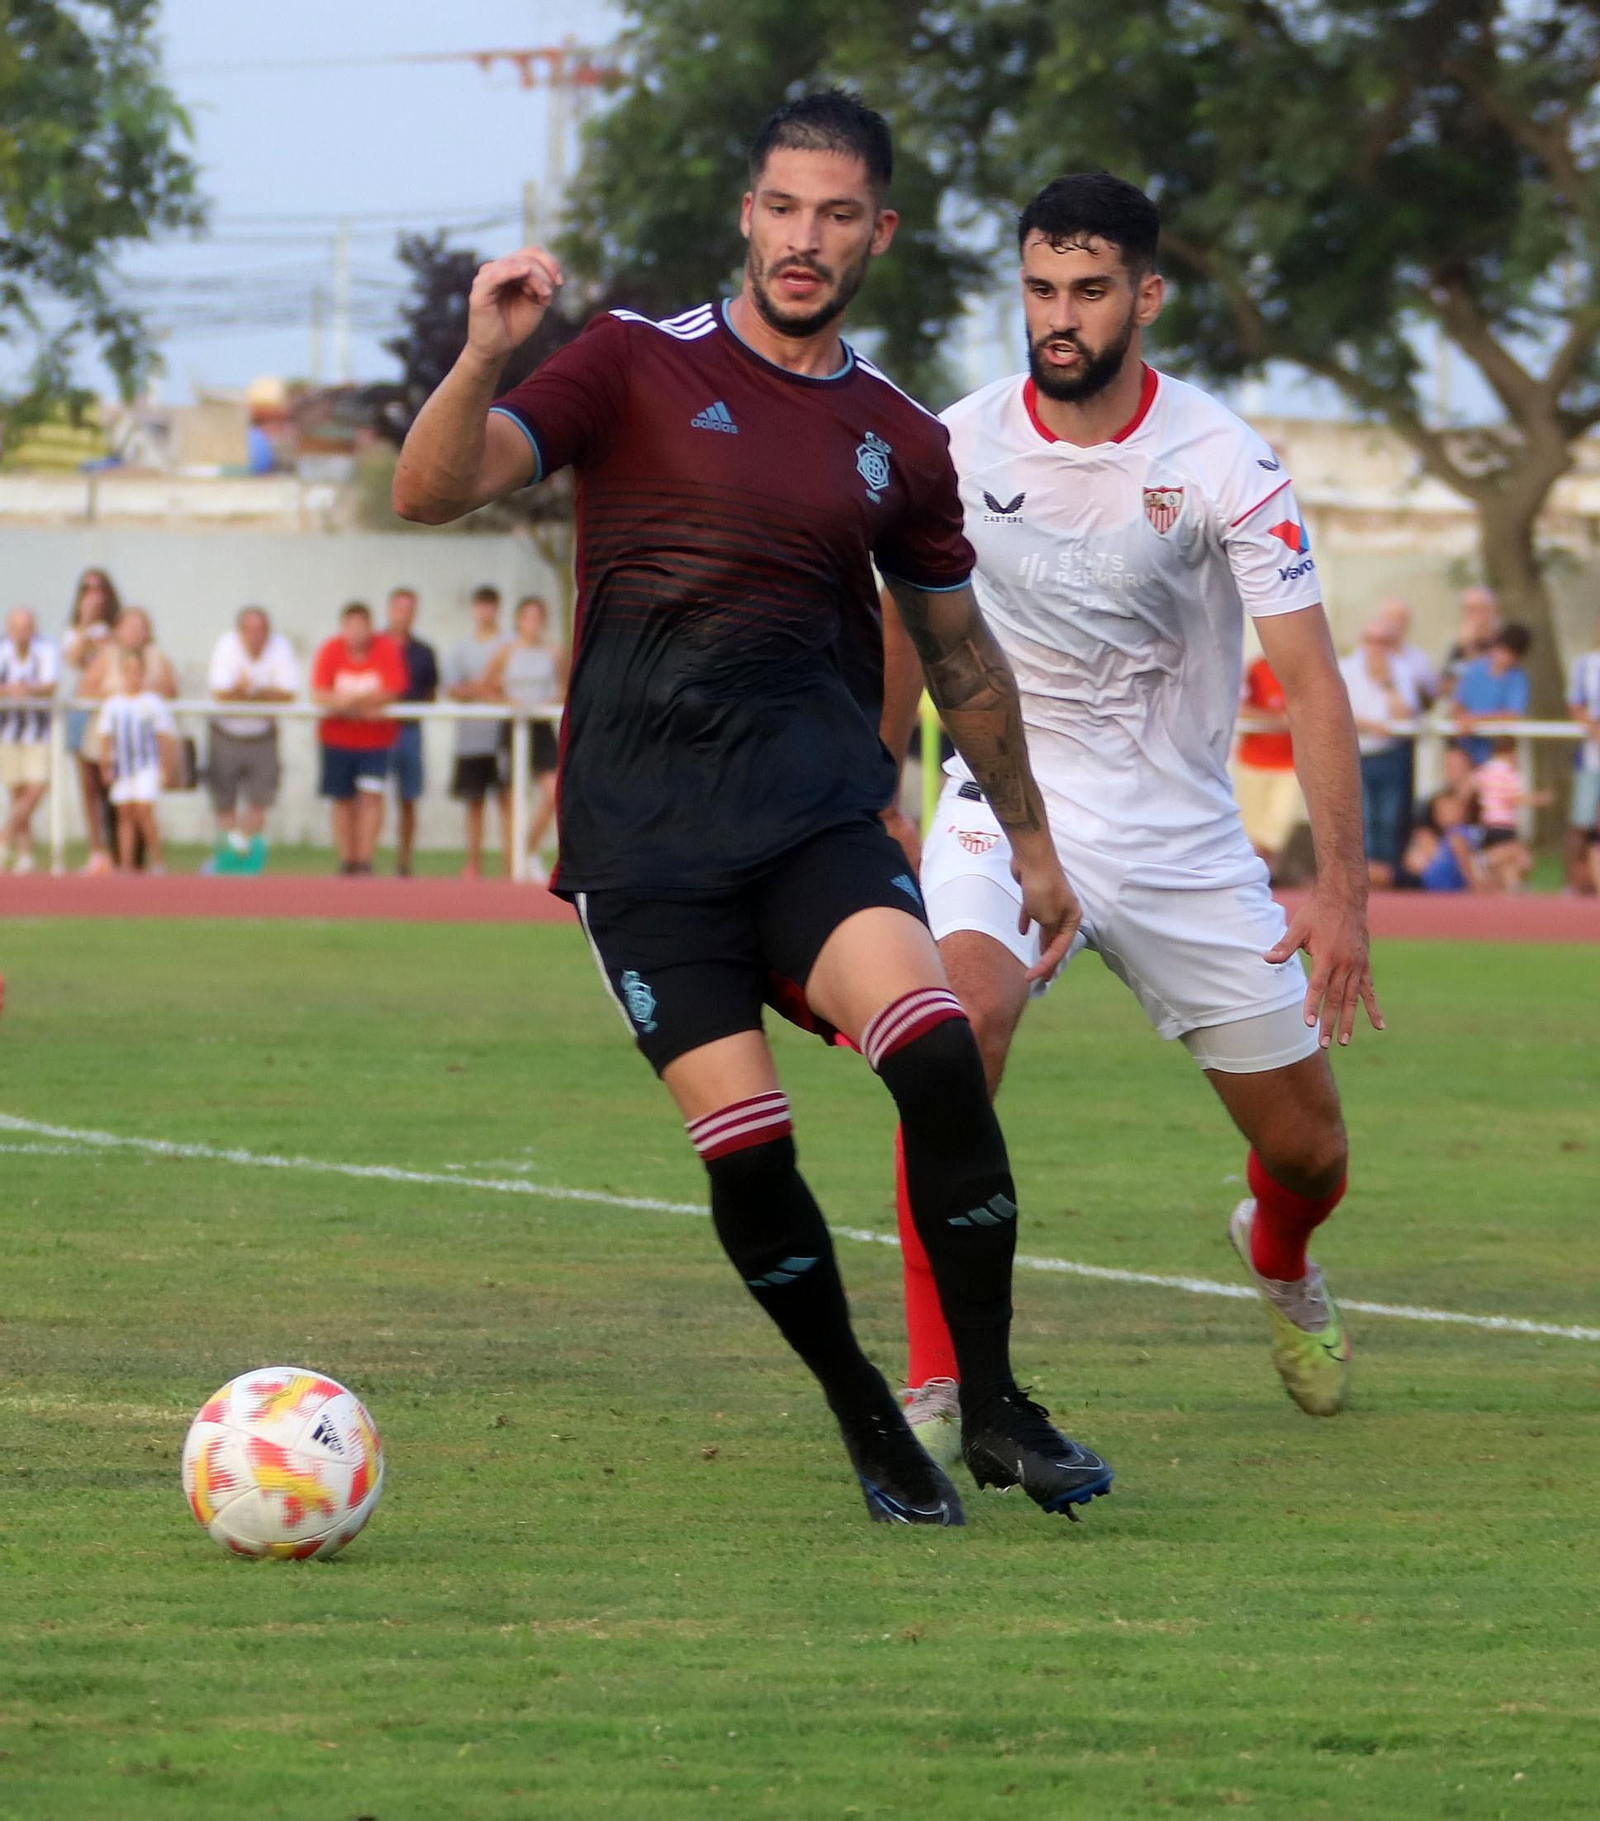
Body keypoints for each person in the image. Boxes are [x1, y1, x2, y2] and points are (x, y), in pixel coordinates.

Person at [393, 89, 1095, 1529]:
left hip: (814, 816)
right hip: (643, 847)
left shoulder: (899, 436)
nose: (806, 237)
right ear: (747, 213)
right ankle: (868, 1425)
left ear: (878, 234)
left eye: (838, 214)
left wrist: (1025, 835)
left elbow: (960, 656)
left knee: (939, 1050)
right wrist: (481, 359)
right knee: (750, 1145)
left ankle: (998, 1402)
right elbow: (430, 489)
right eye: (784, 206)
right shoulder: (632, 364)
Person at [877, 172, 1379, 1462]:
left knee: (1310, 1153)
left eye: (1089, 291)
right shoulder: (954, 443)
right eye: (1041, 289)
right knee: (954, 1026)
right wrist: (878, 791)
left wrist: (1340, 896)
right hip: (1002, 806)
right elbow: (898, 625)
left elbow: (1311, 683)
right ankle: (938, 1386)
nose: (1060, 316)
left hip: (1179, 842)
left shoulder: (1221, 461)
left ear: (1145, 298)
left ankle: (1277, 1260)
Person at [309, 602, 406, 875]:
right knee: (341, 800)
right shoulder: (330, 650)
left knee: (371, 797)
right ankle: (347, 859)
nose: (356, 632)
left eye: (361, 626)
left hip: (376, 741)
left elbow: (392, 690)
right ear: (343, 628)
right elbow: (320, 694)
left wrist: (347, 702)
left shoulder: (386, 648)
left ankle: (364, 859)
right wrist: (361, 706)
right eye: (350, 626)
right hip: (337, 739)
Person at [204, 606, 299, 875]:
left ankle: (241, 853)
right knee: (224, 801)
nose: (256, 636)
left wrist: (251, 691)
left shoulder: (280, 648)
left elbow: (289, 694)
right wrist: (258, 695)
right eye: (250, 630)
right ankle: (229, 861)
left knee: (260, 799)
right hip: (225, 733)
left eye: (261, 630)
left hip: (263, 735)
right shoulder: (226, 646)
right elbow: (221, 693)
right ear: (240, 632)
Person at [483, 593, 565, 883]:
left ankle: (527, 850)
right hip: (513, 728)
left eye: (538, 617)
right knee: (511, 799)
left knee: (554, 792)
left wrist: (552, 701)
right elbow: (487, 687)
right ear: (519, 620)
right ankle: (511, 868)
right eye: (528, 617)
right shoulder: (506, 651)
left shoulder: (553, 652)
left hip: (541, 728)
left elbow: (565, 687)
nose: (533, 623)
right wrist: (508, 702)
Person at [1338, 616, 1423, 887]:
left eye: (1383, 642)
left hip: (1390, 754)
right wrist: (1370, 725)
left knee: (1388, 817)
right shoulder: (1347, 668)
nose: (1376, 647)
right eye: (1372, 641)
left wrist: (1386, 683)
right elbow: (1339, 711)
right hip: (1358, 753)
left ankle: (1384, 875)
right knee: (1362, 817)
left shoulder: (1400, 671)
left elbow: (1405, 713)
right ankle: (1362, 874)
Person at [444, 585, 512, 878]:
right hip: (470, 738)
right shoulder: (459, 648)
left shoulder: (510, 644)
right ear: (474, 609)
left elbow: (511, 686)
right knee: (474, 803)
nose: (484, 611)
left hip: (503, 737)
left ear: (497, 609)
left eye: (490, 605)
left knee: (507, 801)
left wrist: (477, 688)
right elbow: (453, 689)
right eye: (480, 605)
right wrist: (484, 689)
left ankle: (512, 865)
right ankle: (474, 865)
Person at [94, 647, 177, 872]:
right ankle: (126, 863)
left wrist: (166, 767)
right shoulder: (113, 704)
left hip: (146, 765)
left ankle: (158, 860)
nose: (132, 675)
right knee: (124, 814)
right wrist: (105, 765)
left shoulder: (152, 703)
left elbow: (163, 737)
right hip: (123, 766)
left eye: (137, 670)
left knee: (144, 811)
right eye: (128, 670)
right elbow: (105, 737)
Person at [60, 568, 121, 874]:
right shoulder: (75, 630)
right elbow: (72, 660)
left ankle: (122, 850)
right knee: (88, 784)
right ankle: (97, 850)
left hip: (111, 711)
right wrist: (86, 624)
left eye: (99, 589)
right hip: (83, 711)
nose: (94, 595)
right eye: (87, 589)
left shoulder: (118, 628)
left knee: (115, 781)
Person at [383, 587, 439, 877]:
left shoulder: (424, 652)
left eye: (409, 609)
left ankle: (404, 862)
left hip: (410, 732)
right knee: (370, 797)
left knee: (408, 798)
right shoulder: (376, 645)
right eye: (399, 608)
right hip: (377, 733)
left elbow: (431, 691)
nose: (403, 615)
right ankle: (361, 861)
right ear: (389, 610)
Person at [0, 609, 60, 875]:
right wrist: (11, 691)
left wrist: (27, 689)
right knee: (17, 791)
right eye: (17, 626)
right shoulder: (3, 650)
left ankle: (4, 838)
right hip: (7, 731)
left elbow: (50, 684)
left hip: (38, 731)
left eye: (27, 626)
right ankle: (25, 854)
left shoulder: (45, 648)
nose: (23, 631)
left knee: (36, 787)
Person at [1233, 651, 1302, 878]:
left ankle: (1266, 874)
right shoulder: (1256, 669)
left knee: (1278, 827)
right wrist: (1278, 720)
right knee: (1252, 828)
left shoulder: (1301, 669)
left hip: (1289, 763)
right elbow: (1240, 710)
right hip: (1254, 761)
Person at [1471, 736, 1548, 890]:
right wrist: (1539, 799)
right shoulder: (1508, 772)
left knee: (1509, 862)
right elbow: (1517, 797)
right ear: (1510, 752)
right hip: (1503, 822)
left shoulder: (1486, 769)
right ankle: (1485, 860)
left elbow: (1473, 784)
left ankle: (1512, 886)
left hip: (1488, 821)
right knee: (1521, 856)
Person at [1452, 623, 1532, 765]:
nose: (1503, 657)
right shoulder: (1475, 670)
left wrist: (1475, 720)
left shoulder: (1517, 679)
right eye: (1501, 649)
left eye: (1510, 653)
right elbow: (1458, 704)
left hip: (1496, 753)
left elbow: (1512, 715)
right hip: (1466, 749)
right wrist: (1462, 720)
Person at [1564, 614, 1600, 895]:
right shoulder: (1586, 664)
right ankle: (1574, 882)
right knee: (1581, 820)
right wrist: (1594, 730)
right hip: (1592, 754)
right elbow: (1576, 704)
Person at [1440, 585, 1500, 694]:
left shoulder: (1503, 643)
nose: (1472, 617)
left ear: (1492, 611)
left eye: (1478, 610)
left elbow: (1490, 683)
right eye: (1467, 610)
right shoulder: (1459, 648)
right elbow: (1444, 689)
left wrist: (1470, 648)